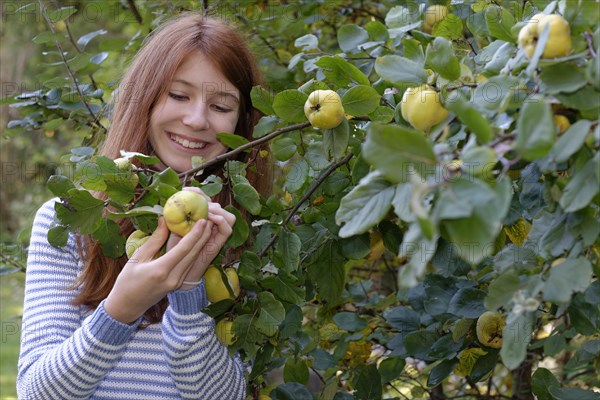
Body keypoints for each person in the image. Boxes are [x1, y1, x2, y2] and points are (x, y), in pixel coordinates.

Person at [18, 12, 270, 399]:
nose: (196, 119)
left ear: (241, 125)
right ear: (145, 99)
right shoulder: (68, 220)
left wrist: (190, 290)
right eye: (178, 95)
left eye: (221, 106)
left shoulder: (242, 236)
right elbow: (37, 392)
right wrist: (120, 310)